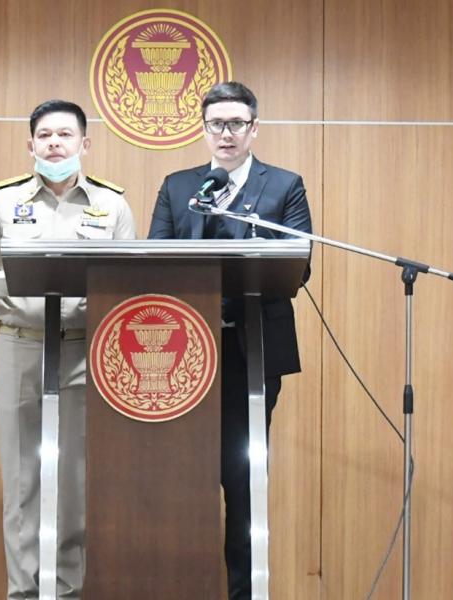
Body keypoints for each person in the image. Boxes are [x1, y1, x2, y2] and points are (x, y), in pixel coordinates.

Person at [0, 99, 136, 599]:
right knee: (23, 485)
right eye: (45, 136)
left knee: (74, 487)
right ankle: (24, 593)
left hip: (82, 355)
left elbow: (131, 282)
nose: (54, 143)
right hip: (20, 351)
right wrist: (18, 280)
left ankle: (67, 593)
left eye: (65, 135)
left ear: (85, 143)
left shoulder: (112, 205)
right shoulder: (3, 202)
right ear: (30, 145)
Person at [148, 81, 312, 599]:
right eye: (216, 124)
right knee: (187, 482)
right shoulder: (179, 186)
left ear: (254, 128)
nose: (226, 133)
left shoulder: (284, 186)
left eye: (236, 123)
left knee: (243, 484)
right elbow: (154, 260)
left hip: (251, 352)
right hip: (183, 358)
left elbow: (299, 266)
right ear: (203, 130)